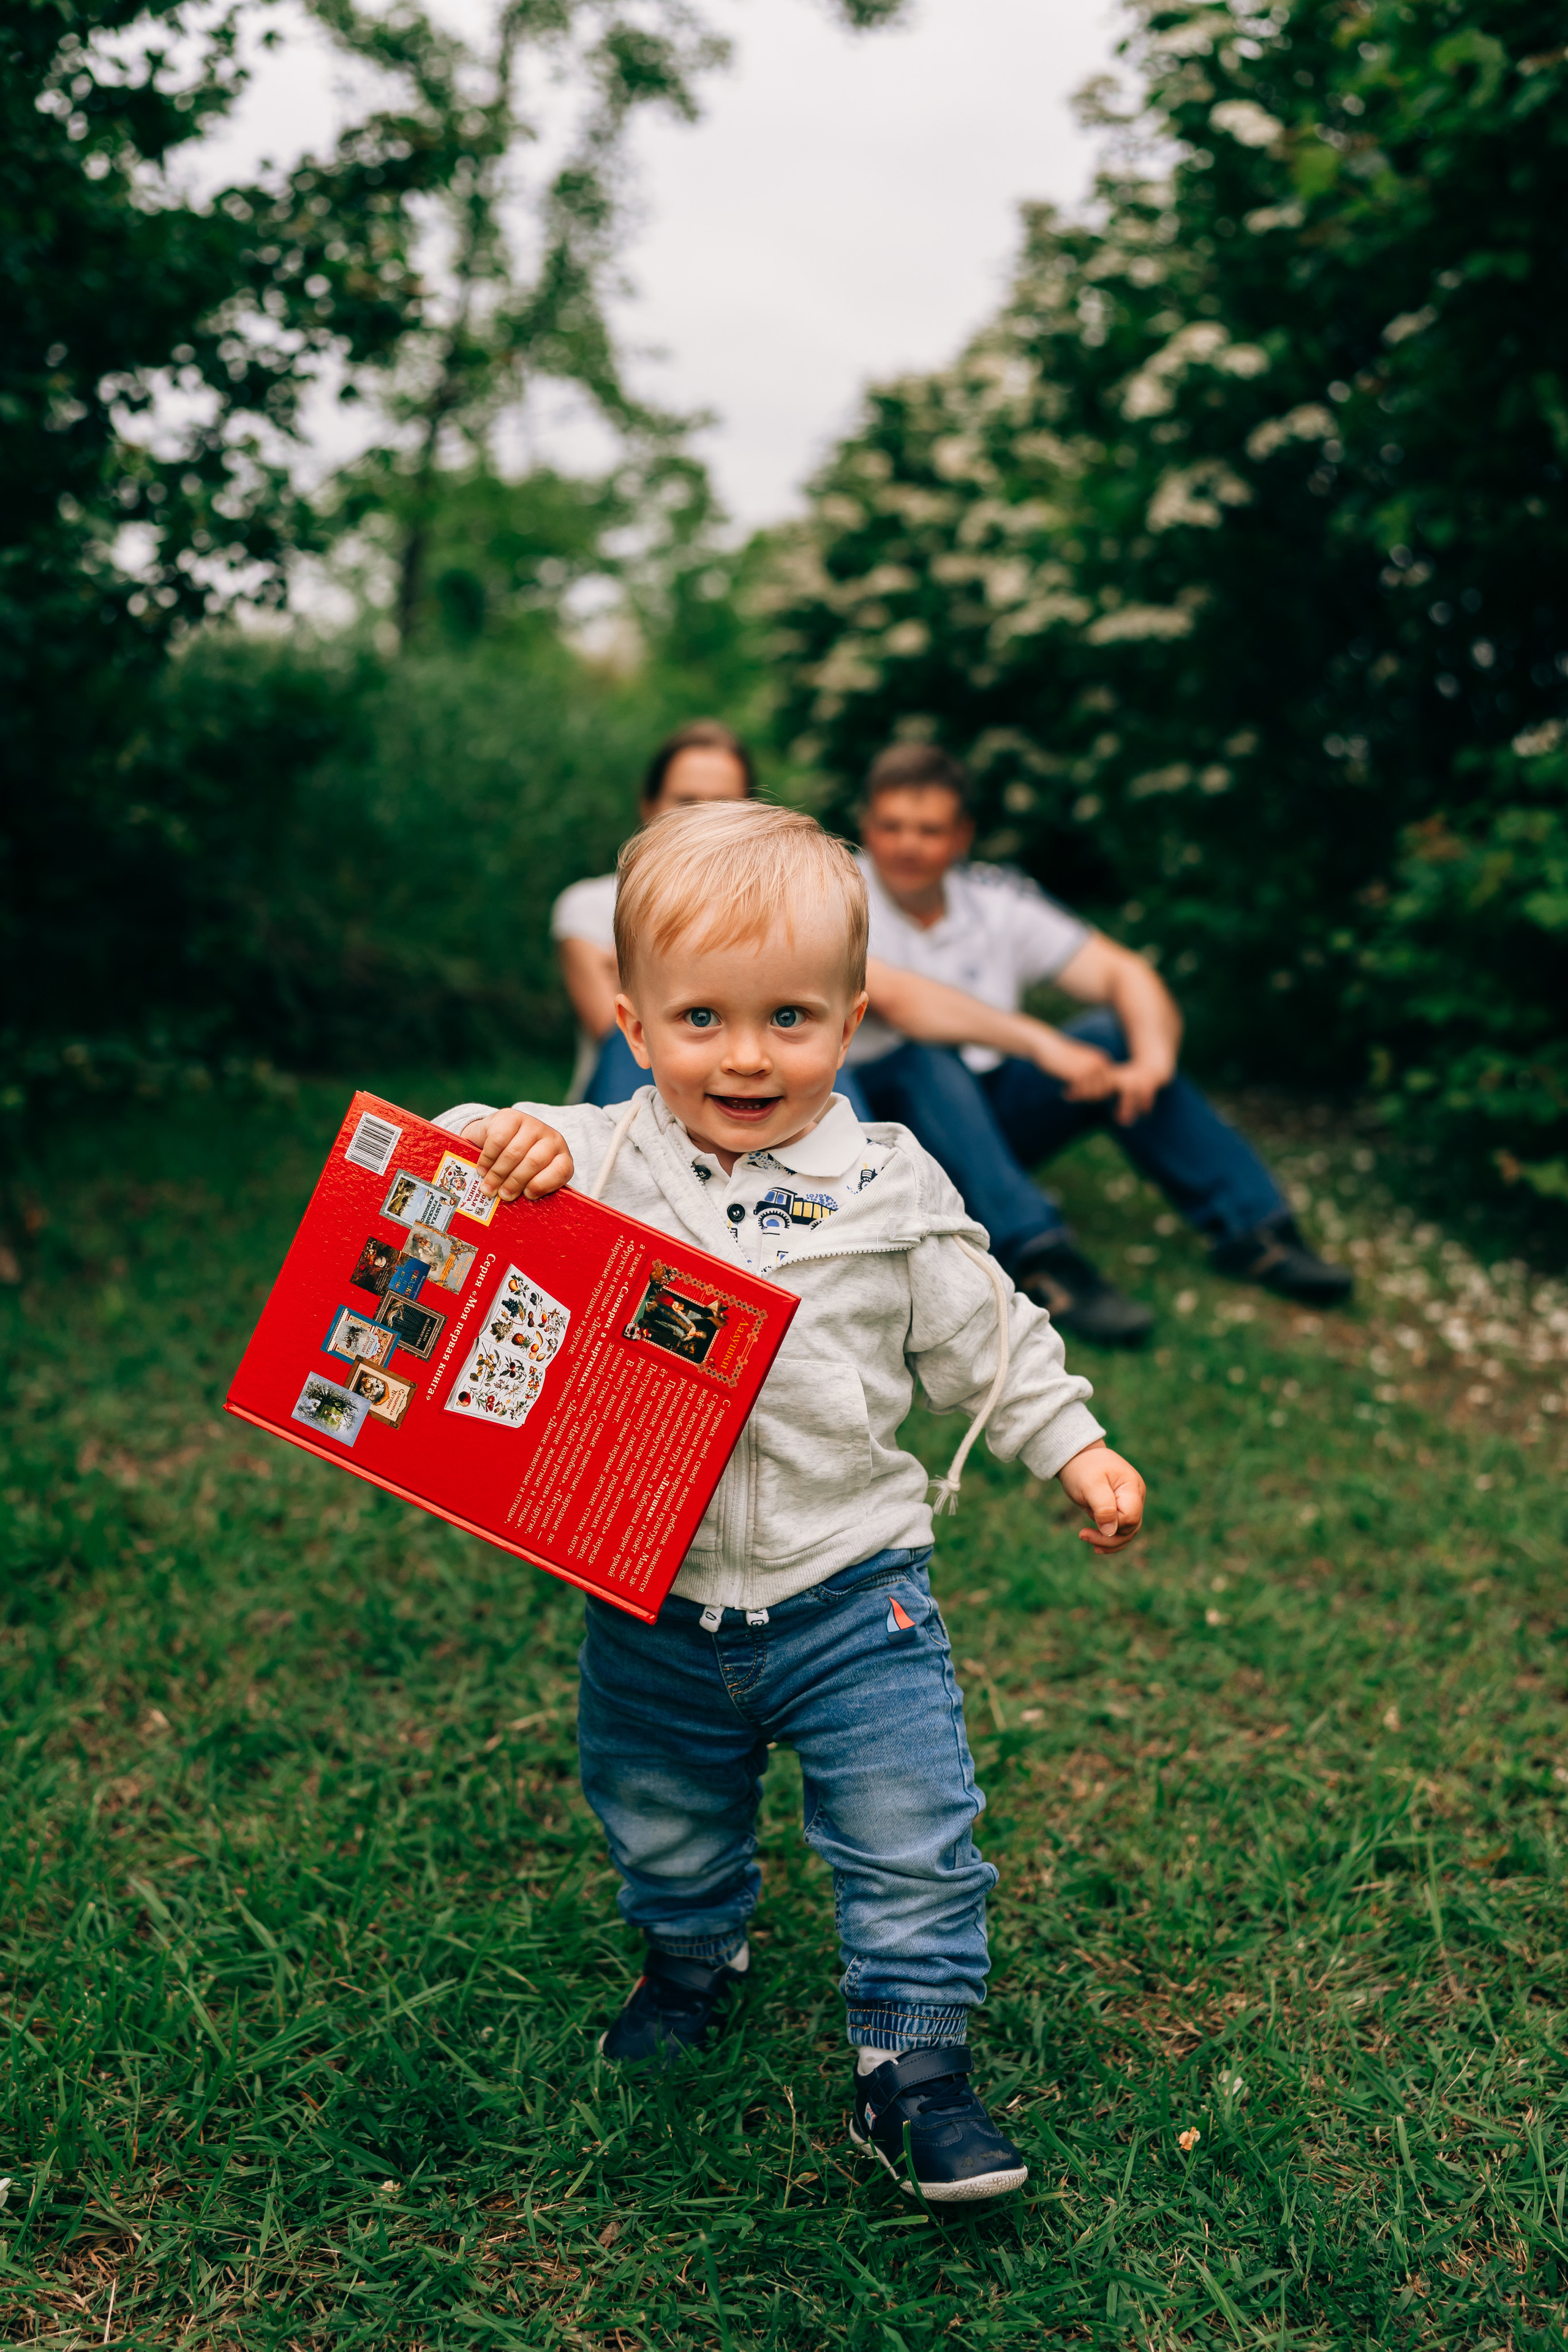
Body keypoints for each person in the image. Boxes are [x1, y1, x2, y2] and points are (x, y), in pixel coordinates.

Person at [437, 801, 1146, 2204]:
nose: (746, 1054)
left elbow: (979, 1330)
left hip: (850, 1593)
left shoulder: (887, 1183)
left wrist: (1071, 1443)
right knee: (659, 1806)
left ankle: (914, 2070)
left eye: (789, 1017)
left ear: (852, 1017)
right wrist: (500, 1142)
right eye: (700, 1017)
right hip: (648, 1595)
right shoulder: (604, 1153)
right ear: (633, 1026)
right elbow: (463, 1152)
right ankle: (693, 1951)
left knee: (908, 1825)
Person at [838, 742, 1353, 1346]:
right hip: (890, 1133)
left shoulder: (994, 900)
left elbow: (1124, 974)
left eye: (928, 830)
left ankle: (1256, 1232)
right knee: (923, 1055)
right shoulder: (837, 896)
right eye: (891, 826)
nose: (907, 845)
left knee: (1114, 1035)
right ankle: (1040, 1256)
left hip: (986, 1119)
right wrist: (1041, 1043)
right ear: (867, 825)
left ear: (962, 836)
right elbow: (901, 1002)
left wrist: (1151, 1063)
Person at [552, 720, 754, 1107]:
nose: (704, 821)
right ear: (649, 806)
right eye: (687, 802)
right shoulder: (589, 905)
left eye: (723, 804)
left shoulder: (778, 907)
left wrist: (636, 968)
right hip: (631, 1091)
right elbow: (622, 1029)